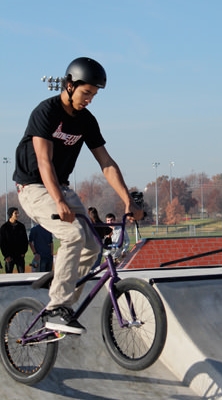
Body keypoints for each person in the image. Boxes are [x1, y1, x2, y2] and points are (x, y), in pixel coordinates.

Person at [13, 57, 143, 335]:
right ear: (69, 85)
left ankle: (64, 299)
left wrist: (127, 200)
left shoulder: (86, 121)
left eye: (94, 95)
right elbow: (44, 161)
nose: (90, 100)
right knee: (72, 235)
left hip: (61, 187)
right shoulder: (46, 112)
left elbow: (106, 163)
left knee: (93, 247)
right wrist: (59, 201)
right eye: (86, 93)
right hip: (34, 187)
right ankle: (56, 307)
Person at [0, 207, 29, 274]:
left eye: (17, 213)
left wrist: (23, 252)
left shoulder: (21, 226)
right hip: (9, 257)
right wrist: (6, 256)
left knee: (22, 275)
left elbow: (25, 240)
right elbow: (2, 243)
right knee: (9, 276)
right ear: (11, 214)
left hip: (20, 256)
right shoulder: (4, 228)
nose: (17, 215)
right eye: (15, 213)